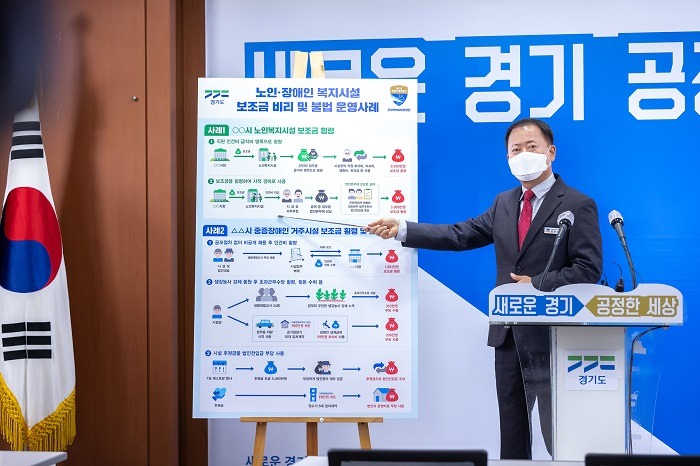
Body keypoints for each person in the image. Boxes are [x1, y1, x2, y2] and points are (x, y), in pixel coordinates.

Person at [365, 118, 603, 459]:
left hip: (555, 335)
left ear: (550, 152)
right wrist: (403, 228)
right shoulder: (504, 203)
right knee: (513, 429)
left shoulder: (577, 204)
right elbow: (459, 235)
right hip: (509, 334)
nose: (523, 154)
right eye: (515, 150)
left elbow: (588, 268)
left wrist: (537, 284)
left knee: (558, 431)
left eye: (531, 147)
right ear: (507, 158)